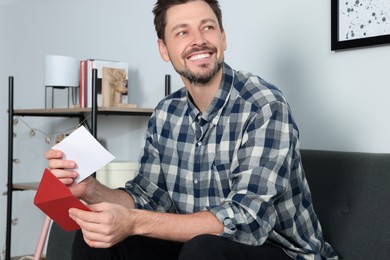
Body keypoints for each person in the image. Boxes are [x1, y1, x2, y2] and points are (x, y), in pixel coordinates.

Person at [45, 0, 338, 259]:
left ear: (223, 38)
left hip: (279, 251)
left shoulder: (264, 105)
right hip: (195, 248)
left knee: (204, 248)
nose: (199, 41)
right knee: (96, 240)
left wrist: (133, 222)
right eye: (182, 32)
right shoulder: (166, 113)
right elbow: (148, 197)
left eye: (207, 28)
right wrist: (91, 190)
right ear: (164, 49)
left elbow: (247, 220)